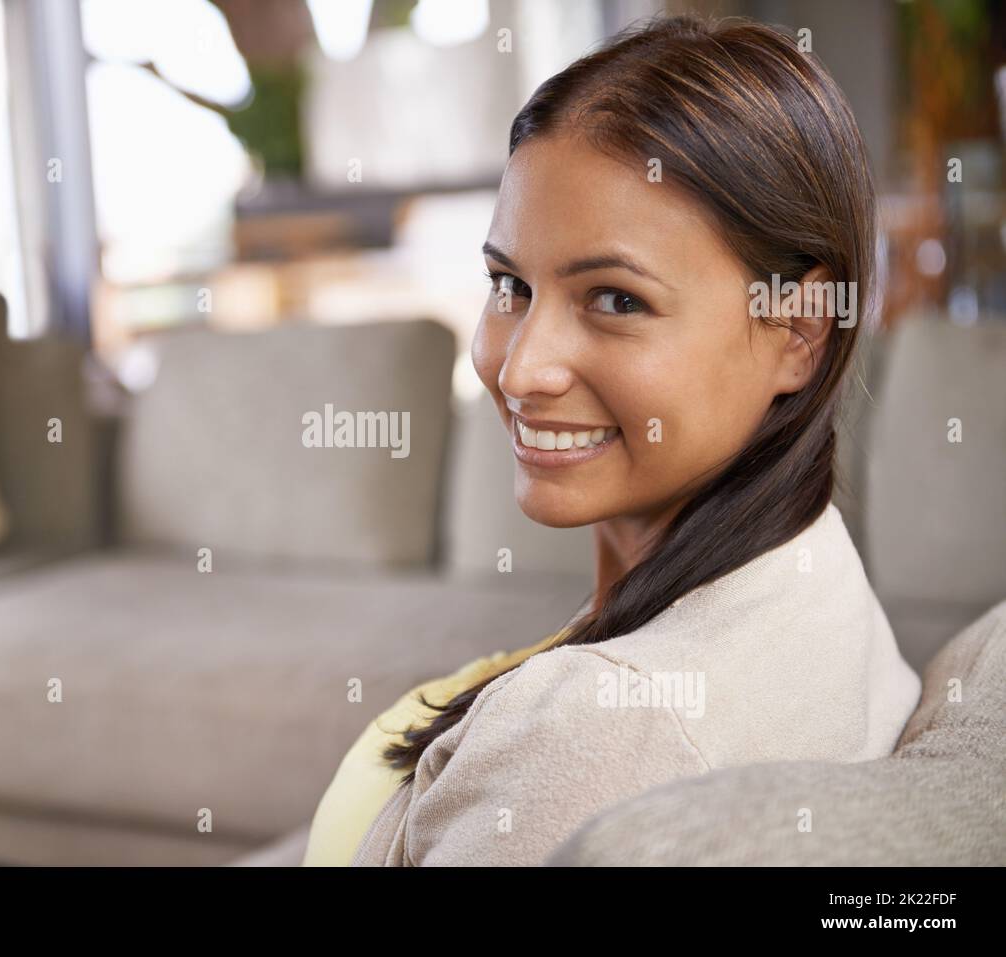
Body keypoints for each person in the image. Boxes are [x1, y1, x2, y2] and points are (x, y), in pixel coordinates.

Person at [303, 14, 922, 867]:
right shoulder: (812, 577)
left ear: (798, 330)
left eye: (616, 299)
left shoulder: (598, 735)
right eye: (509, 284)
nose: (520, 371)